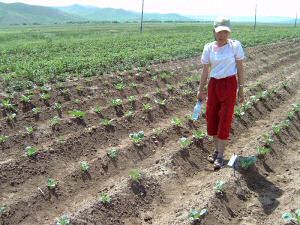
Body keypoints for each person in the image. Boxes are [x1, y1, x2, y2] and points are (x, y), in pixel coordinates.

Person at [197, 16, 245, 170]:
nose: (222, 34)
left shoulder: (234, 46)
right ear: (214, 32)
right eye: (219, 31)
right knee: (212, 117)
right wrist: (201, 89)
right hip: (214, 85)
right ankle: (217, 150)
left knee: (224, 117)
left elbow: (240, 68)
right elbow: (206, 70)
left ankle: (220, 155)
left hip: (229, 84)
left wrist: (241, 88)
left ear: (229, 32)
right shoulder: (209, 47)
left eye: (225, 31)